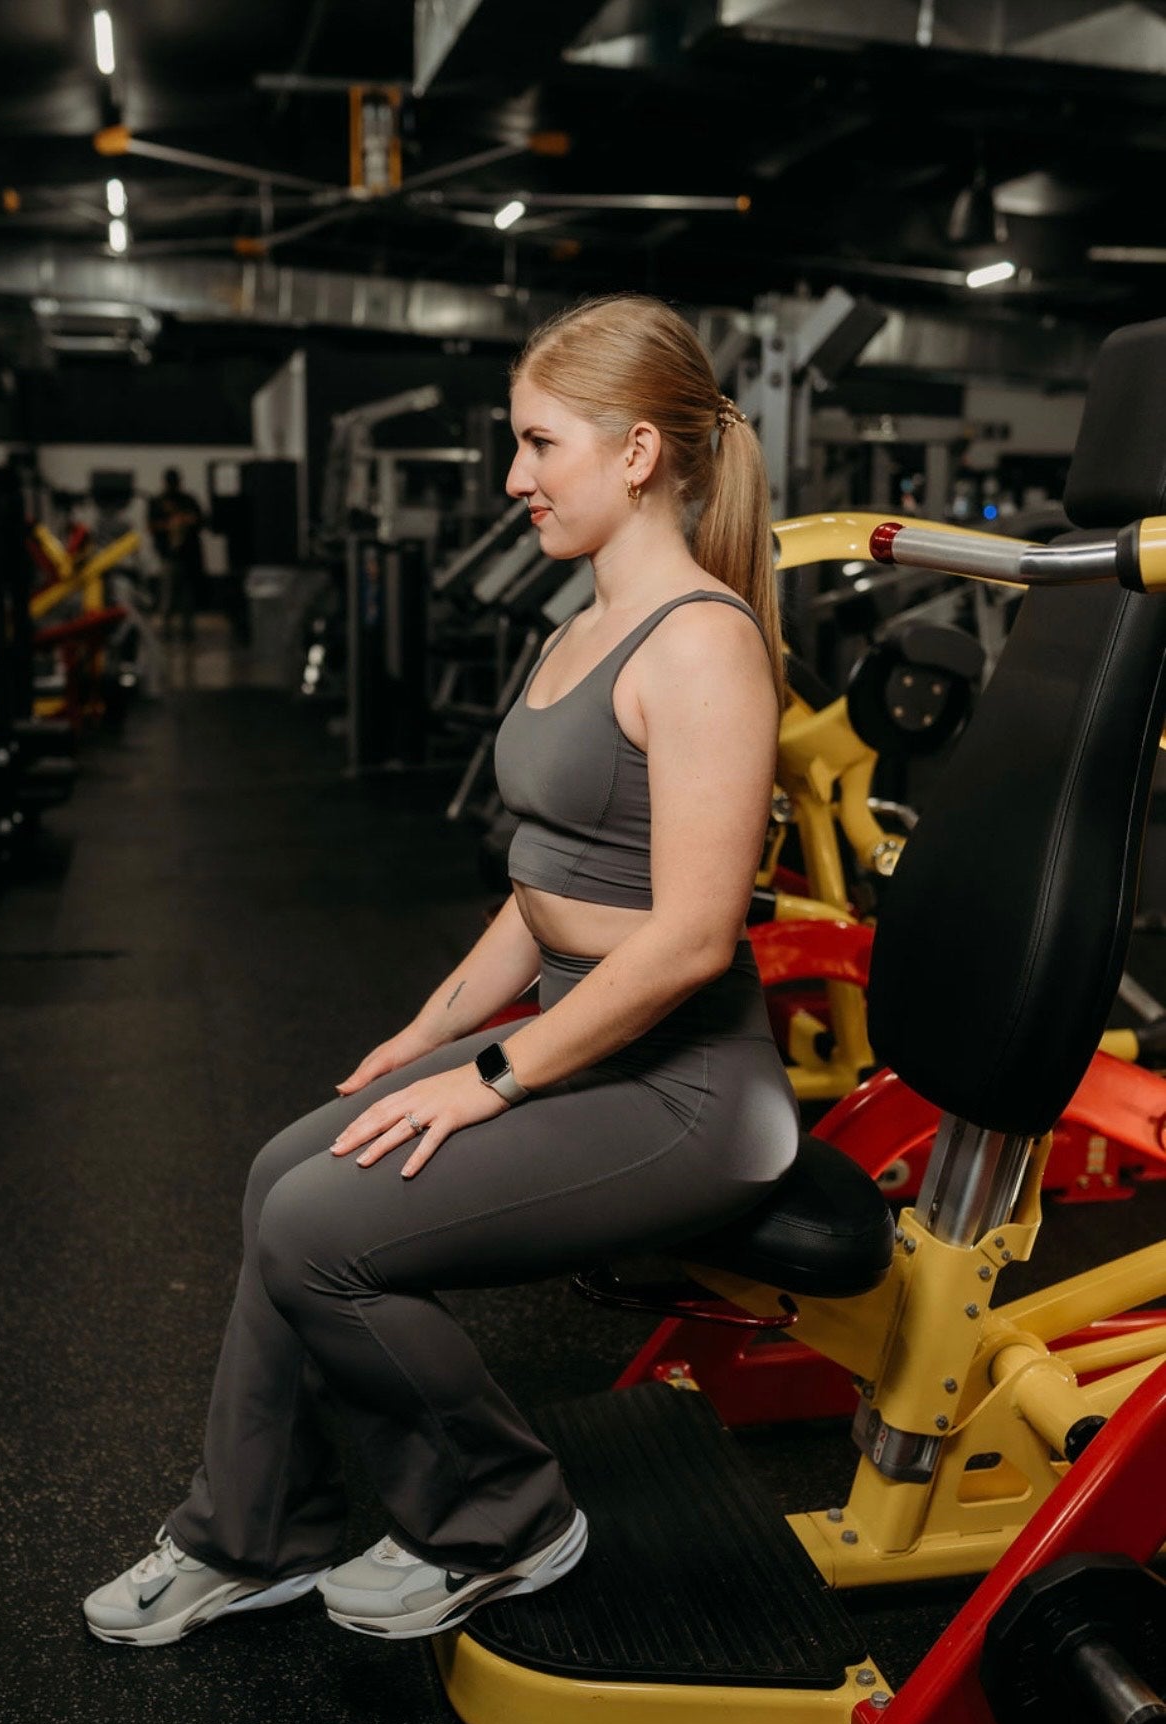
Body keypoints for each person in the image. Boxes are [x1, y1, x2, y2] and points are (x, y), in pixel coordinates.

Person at [84, 294, 800, 1648]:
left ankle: (504, 1517)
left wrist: (485, 1078)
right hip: (579, 1031)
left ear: (637, 453)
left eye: (539, 446)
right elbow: (539, 900)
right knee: (277, 1174)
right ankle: (251, 1536)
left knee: (317, 1232)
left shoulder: (701, 643)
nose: (514, 478)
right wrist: (416, 1040)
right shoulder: (575, 626)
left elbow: (693, 936)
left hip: (692, 1091)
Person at [147, 467, 205, 642]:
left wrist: (185, 521)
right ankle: (167, 630)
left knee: (187, 598)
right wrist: (170, 524)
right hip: (169, 555)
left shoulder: (187, 500)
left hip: (188, 556)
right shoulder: (158, 502)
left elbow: (200, 520)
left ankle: (186, 631)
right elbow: (151, 526)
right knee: (168, 596)